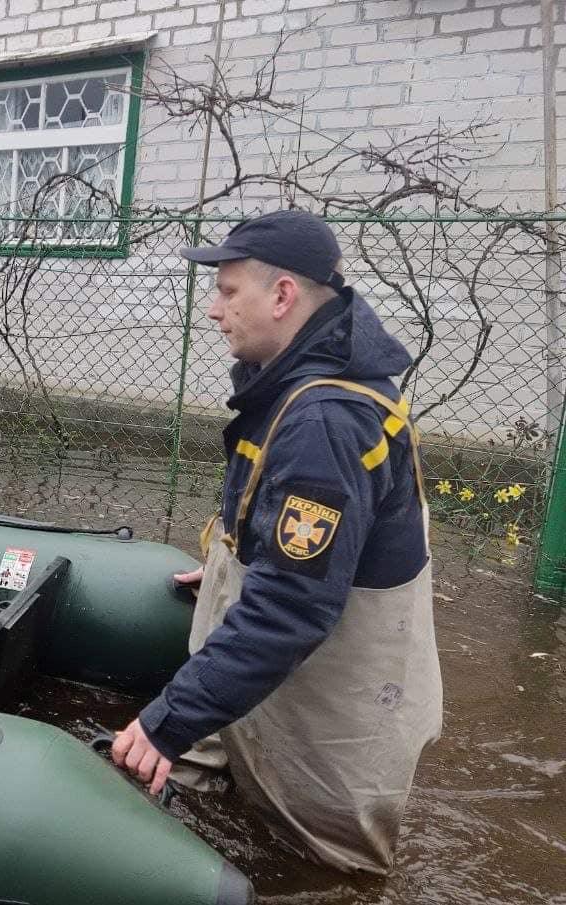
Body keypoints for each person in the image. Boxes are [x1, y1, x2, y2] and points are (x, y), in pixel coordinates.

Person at [111, 210, 442, 874]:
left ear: (283, 295)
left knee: (324, 864)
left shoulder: (323, 418)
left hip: (348, 693)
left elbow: (293, 605)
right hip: (320, 622)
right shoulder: (305, 375)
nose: (213, 310)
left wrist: (165, 721)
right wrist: (235, 565)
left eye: (228, 290)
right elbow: (307, 532)